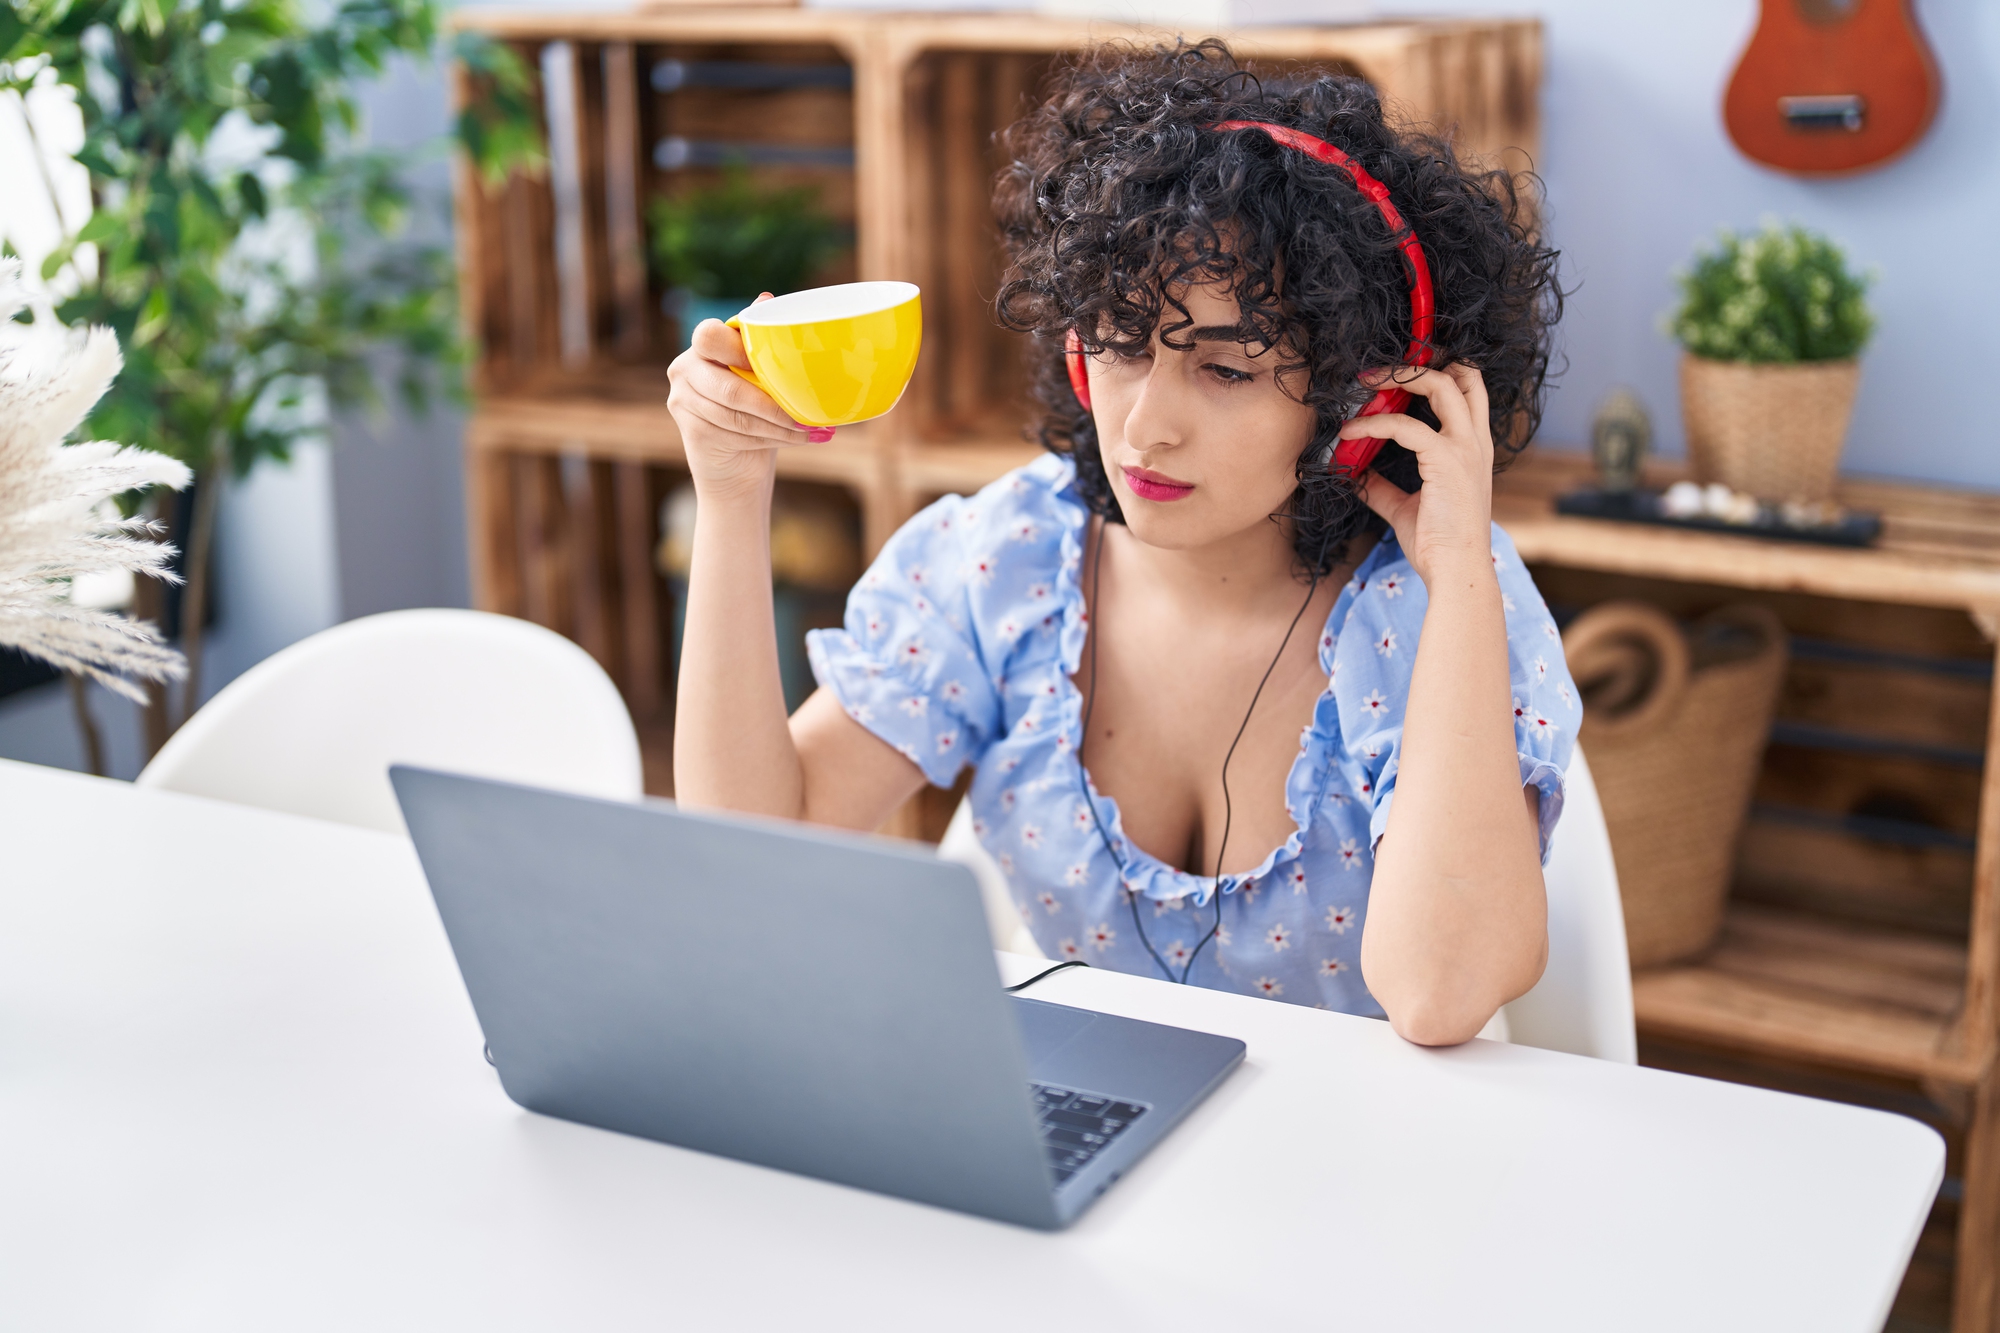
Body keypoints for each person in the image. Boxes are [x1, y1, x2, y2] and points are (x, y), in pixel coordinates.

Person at [667, 40, 1574, 1046]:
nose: (1143, 426)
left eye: (1224, 370)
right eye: (1120, 342)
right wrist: (732, 490)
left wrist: (1456, 575)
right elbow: (752, 850)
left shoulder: (1430, 606)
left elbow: (1440, 994)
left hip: (1352, 1169)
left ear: (1364, 401)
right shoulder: (1005, 562)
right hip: (1089, 1148)